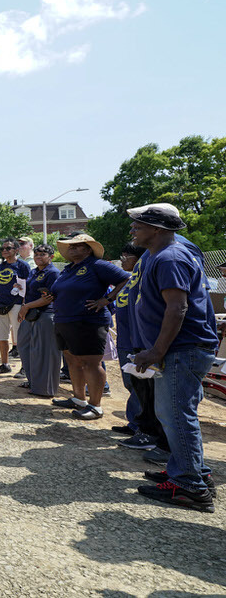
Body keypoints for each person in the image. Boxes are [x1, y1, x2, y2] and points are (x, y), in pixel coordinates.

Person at [128, 204, 219, 512]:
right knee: (175, 414)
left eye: (139, 224)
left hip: (183, 349)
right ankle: (191, 472)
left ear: (157, 229)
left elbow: (177, 308)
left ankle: (191, 488)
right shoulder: (159, 255)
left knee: (176, 415)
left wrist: (157, 350)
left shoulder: (171, 257)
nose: (133, 229)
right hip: (179, 349)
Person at [49, 234, 130, 420]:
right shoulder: (69, 269)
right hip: (65, 321)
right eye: (70, 246)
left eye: (77, 246)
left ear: (88, 249)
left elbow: (126, 279)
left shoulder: (97, 265)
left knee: (90, 364)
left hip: (88, 322)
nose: (72, 249)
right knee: (73, 362)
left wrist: (107, 299)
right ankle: (79, 399)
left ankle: (95, 406)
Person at [110, 243, 153, 448]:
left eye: (125, 256)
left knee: (140, 386)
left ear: (138, 258)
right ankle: (134, 422)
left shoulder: (144, 276)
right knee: (131, 384)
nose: (122, 260)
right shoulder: (130, 280)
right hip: (125, 339)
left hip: (137, 341)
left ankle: (142, 428)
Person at [15, 245, 61, 396]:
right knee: (25, 347)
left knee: (44, 353)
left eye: (43, 254)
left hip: (46, 315)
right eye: (36, 254)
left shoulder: (53, 273)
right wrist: (24, 307)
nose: (38, 257)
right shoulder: (34, 271)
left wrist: (26, 307)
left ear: (51, 257)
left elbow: (48, 298)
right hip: (30, 314)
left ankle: (44, 389)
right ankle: (33, 381)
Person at [0, 238, 31, 374]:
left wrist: (24, 305)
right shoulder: (2, 266)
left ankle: (25, 367)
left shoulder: (23, 266)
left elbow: (27, 286)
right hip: (0, 304)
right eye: (2, 249)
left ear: (16, 250)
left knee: (20, 337)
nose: (4, 251)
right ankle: (4, 364)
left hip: (16, 304)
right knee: (2, 336)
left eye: (8, 248)